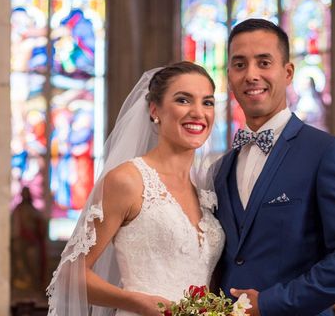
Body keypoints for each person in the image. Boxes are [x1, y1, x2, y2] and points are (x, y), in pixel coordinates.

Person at [214, 18, 335, 316]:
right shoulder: (222, 167)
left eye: (264, 62)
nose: (251, 74)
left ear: (288, 72)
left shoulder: (327, 153)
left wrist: (270, 303)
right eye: (240, 65)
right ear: (229, 76)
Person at [47, 62, 225, 316]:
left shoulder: (206, 190)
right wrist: (139, 302)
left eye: (207, 102)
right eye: (183, 100)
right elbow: (70, 275)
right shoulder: (127, 180)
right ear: (155, 110)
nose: (198, 112)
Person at [11, 186, 48, 304]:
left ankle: (34, 288)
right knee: (21, 266)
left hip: (32, 243)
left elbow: (41, 225)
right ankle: (21, 288)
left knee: (33, 265)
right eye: (24, 193)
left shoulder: (34, 210)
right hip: (20, 243)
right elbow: (14, 227)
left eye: (27, 193)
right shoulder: (17, 210)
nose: (25, 195)